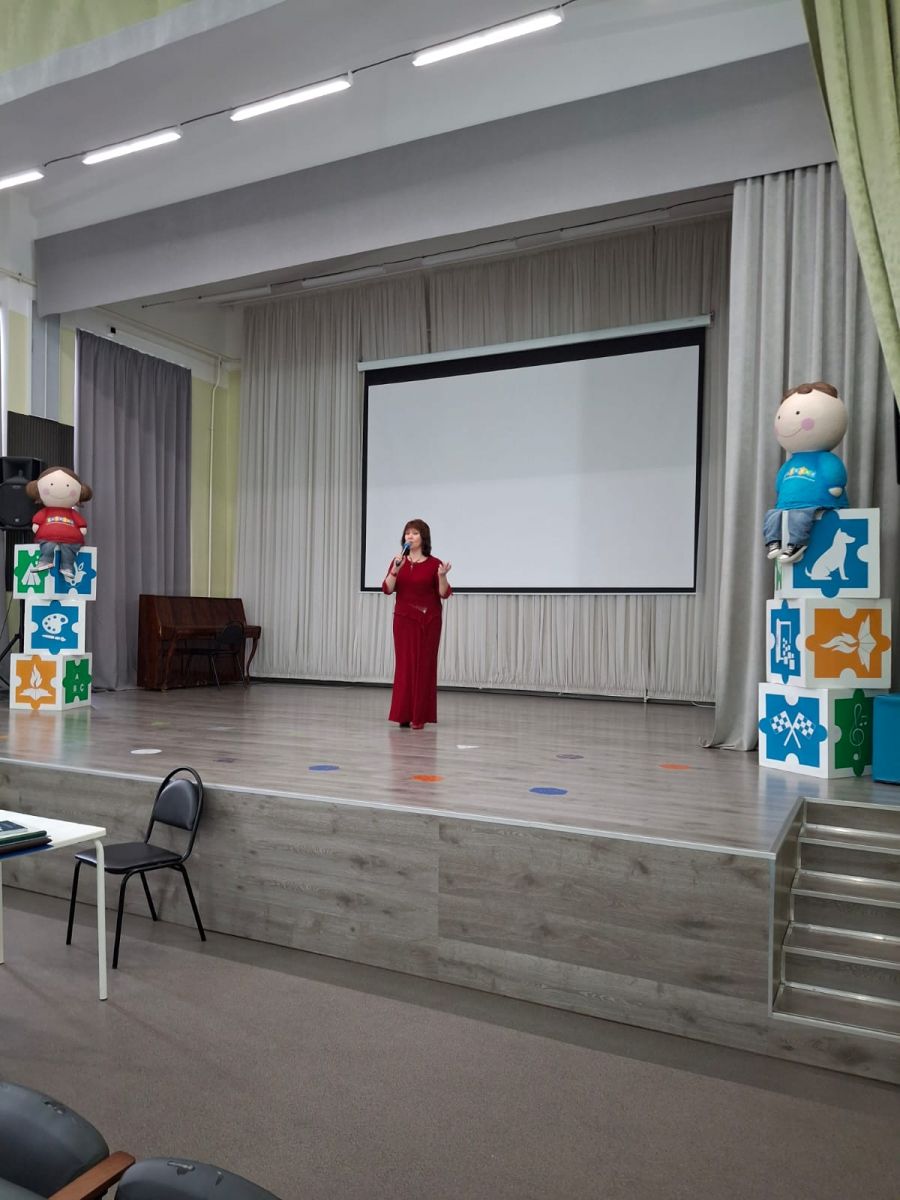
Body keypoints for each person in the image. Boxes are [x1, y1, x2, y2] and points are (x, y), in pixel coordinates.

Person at [382, 518, 452, 729]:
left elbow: (444, 593)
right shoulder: (398, 561)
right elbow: (387, 589)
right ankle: (403, 714)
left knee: (424, 666)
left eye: (414, 533)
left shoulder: (434, 564)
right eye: (407, 533)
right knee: (405, 666)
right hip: (404, 620)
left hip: (428, 621)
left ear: (423, 538)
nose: (410, 537)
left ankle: (419, 716)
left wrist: (442, 576)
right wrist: (395, 569)